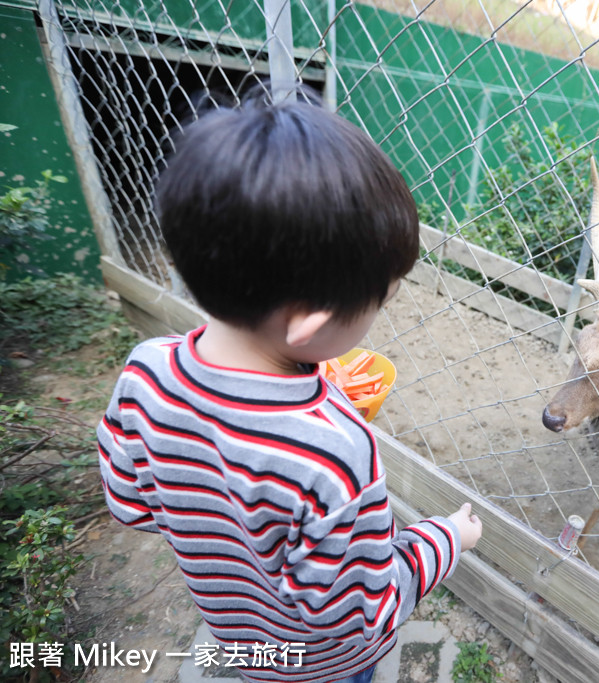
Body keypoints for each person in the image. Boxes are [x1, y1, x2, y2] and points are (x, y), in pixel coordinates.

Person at [96, 94, 482, 683]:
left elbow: (130, 504)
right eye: (385, 295)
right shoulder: (335, 451)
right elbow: (359, 610)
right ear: (312, 320)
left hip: (238, 640)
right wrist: (445, 539)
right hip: (324, 666)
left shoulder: (145, 370)